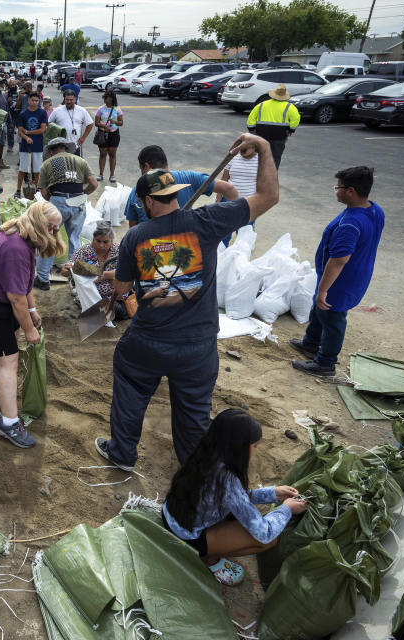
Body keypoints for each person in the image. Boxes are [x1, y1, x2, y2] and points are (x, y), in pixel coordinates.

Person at [95, 134, 279, 471]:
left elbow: (121, 288)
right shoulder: (208, 222)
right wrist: (264, 147)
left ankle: (122, 452)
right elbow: (269, 196)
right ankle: (195, 471)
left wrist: (124, 282)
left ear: (148, 202)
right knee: (193, 414)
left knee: (131, 386)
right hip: (198, 347)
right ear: (174, 196)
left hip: (148, 341)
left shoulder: (137, 236)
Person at [0, 202, 63, 448]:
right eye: (54, 229)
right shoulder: (15, 247)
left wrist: (33, 310)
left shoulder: (22, 233)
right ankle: (7, 422)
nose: (56, 234)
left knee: (4, 341)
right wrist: (30, 330)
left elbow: (23, 283)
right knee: (9, 358)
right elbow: (16, 298)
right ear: (43, 225)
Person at [162, 409, 306, 585]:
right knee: (269, 542)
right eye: (254, 446)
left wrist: (272, 494)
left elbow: (233, 498)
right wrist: (287, 509)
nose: (255, 451)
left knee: (241, 521)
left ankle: (210, 549)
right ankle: (208, 559)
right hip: (187, 535)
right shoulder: (227, 480)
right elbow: (265, 533)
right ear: (240, 447)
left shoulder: (207, 454)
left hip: (172, 515)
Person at [290, 166, 384, 377]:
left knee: (333, 319)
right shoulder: (375, 210)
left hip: (339, 281)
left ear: (350, 191)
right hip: (355, 274)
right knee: (319, 311)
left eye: (338, 187)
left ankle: (325, 363)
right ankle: (310, 344)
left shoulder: (350, 224)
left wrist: (323, 289)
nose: (336, 191)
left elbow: (339, 260)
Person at [34, 137, 98, 290]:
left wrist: (54, 201)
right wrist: (82, 195)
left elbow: (43, 191)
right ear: (65, 148)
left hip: (58, 201)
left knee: (49, 239)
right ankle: (76, 280)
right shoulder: (80, 161)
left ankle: (43, 280)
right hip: (79, 202)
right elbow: (94, 183)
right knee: (74, 239)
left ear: (51, 150)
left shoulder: (47, 163)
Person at [124, 145, 239, 228]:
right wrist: (229, 223)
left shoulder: (137, 193)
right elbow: (229, 189)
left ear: (146, 166)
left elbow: (132, 229)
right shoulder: (190, 178)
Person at [61, 220, 120, 302]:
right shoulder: (83, 251)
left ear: (112, 240)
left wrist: (104, 274)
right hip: (89, 296)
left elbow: (127, 271)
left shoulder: (118, 250)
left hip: (116, 295)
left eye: (105, 242)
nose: (101, 245)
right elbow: (64, 273)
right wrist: (68, 269)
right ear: (93, 239)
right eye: (98, 241)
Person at [246, 84, 300, 169]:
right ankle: (271, 178)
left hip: (261, 135)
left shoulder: (261, 105)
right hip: (279, 136)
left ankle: (257, 175)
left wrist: (252, 129)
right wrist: (291, 129)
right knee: (275, 157)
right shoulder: (290, 107)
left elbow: (251, 119)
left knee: (259, 156)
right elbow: (296, 119)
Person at [219, 146, 260, 246]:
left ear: (254, 147)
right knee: (223, 233)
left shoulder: (262, 161)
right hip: (228, 202)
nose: (242, 151)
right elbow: (224, 179)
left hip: (249, 204)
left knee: (244, 237)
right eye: (240, 149)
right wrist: (218, 197)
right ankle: (220, 257)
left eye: (245, 149)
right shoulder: (233, 158)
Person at [15, 93, 48, 198]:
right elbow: (20, 132)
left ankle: (37, 190)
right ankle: (18, 190)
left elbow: (43, 130)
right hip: (25, 146)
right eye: (32, 100)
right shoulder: (23, 114)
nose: (34, 102)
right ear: (29, 100)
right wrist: (26, 138)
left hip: (38, 146)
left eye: (36, 101)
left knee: (37, 170)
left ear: (39, 102)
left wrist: (28, 132)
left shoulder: (42, 113)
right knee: (22, 169)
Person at [47, 90, 93, 157]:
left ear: (75, 99)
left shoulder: (82, 110)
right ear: (64, 99)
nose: (69, 102)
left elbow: (90, 124)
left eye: (71, 100)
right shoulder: (57, 110)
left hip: (75, 146)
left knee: (74, 166)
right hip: (60, 147)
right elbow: (49, 123)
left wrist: (83, 138)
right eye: (67, 100)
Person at [94, 91, 123, 183]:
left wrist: (114, 122)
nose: (104, 100)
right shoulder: (101, 109)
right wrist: (104, 126)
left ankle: (112, 175)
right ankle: (101, 174)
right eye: (104, 98)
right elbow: (96, 123)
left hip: (114, 134)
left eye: (106, 98)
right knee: (102, 154)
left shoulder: (117, 109)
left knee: (112, 154)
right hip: (102, 133)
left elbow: (121, 122)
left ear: (111, 99)